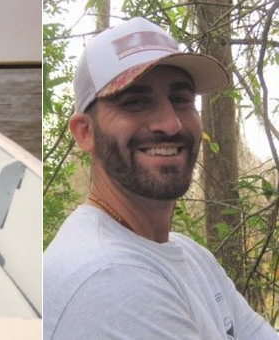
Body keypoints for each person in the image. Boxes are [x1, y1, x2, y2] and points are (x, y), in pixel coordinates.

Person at [43, 17, 279, 340]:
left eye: (181, 99)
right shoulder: (108, 278)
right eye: (135, 102)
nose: (170, 124)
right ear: (85, 132)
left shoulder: (190, 256)